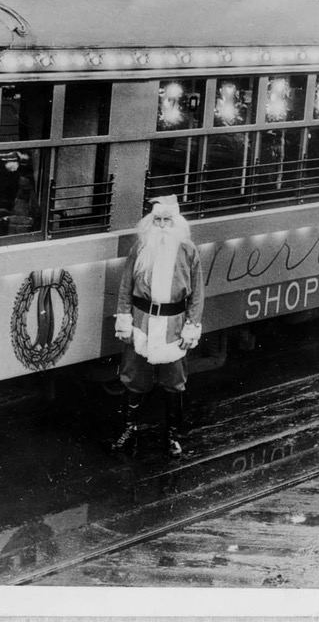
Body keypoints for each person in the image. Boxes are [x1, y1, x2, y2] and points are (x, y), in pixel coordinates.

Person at [109, 195, 204, 457]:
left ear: (176, 222)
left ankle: (173, 436)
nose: (162, 225)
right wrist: (124, 320)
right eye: (157, 220)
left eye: (167, 220)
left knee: (174, 383)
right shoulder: (140, 248)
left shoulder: (188, 251)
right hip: (142, 323)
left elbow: (197, 294)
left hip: (174, 325)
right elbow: (126, 287)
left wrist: (191, 326)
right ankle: (129, 430)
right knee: (133, 378)